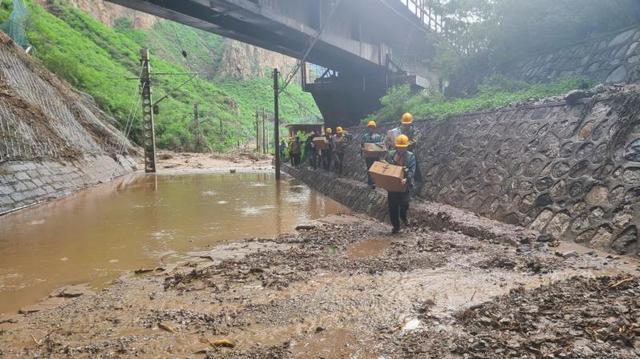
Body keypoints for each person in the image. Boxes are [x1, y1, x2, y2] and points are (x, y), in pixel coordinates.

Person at [384, 134, 416, 234]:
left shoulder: (410, 156)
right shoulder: (390, 154)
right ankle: (396, 226)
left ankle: (403, 215)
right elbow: (385, 166)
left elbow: (412, 170)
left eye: (403, 148)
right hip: (392, 185)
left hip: (405, 185)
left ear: (406, 147)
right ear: (396, 146)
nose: (401, 150)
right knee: (392, 207)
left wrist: (407, 178)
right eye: (399, 147)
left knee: (404, 203)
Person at [361, 120, 385, 189]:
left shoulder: (378, 136)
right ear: (368, 128)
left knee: (376, 169)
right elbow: (362, 145)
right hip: (368, 156)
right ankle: (370, 183)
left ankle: (376, 183)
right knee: (369, 169)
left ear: (374, 128)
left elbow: (381, 146)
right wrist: (363, 150)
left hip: (376, 156)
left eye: (372, 127)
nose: (371, 128)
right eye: (370, 127)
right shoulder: (365, 136)